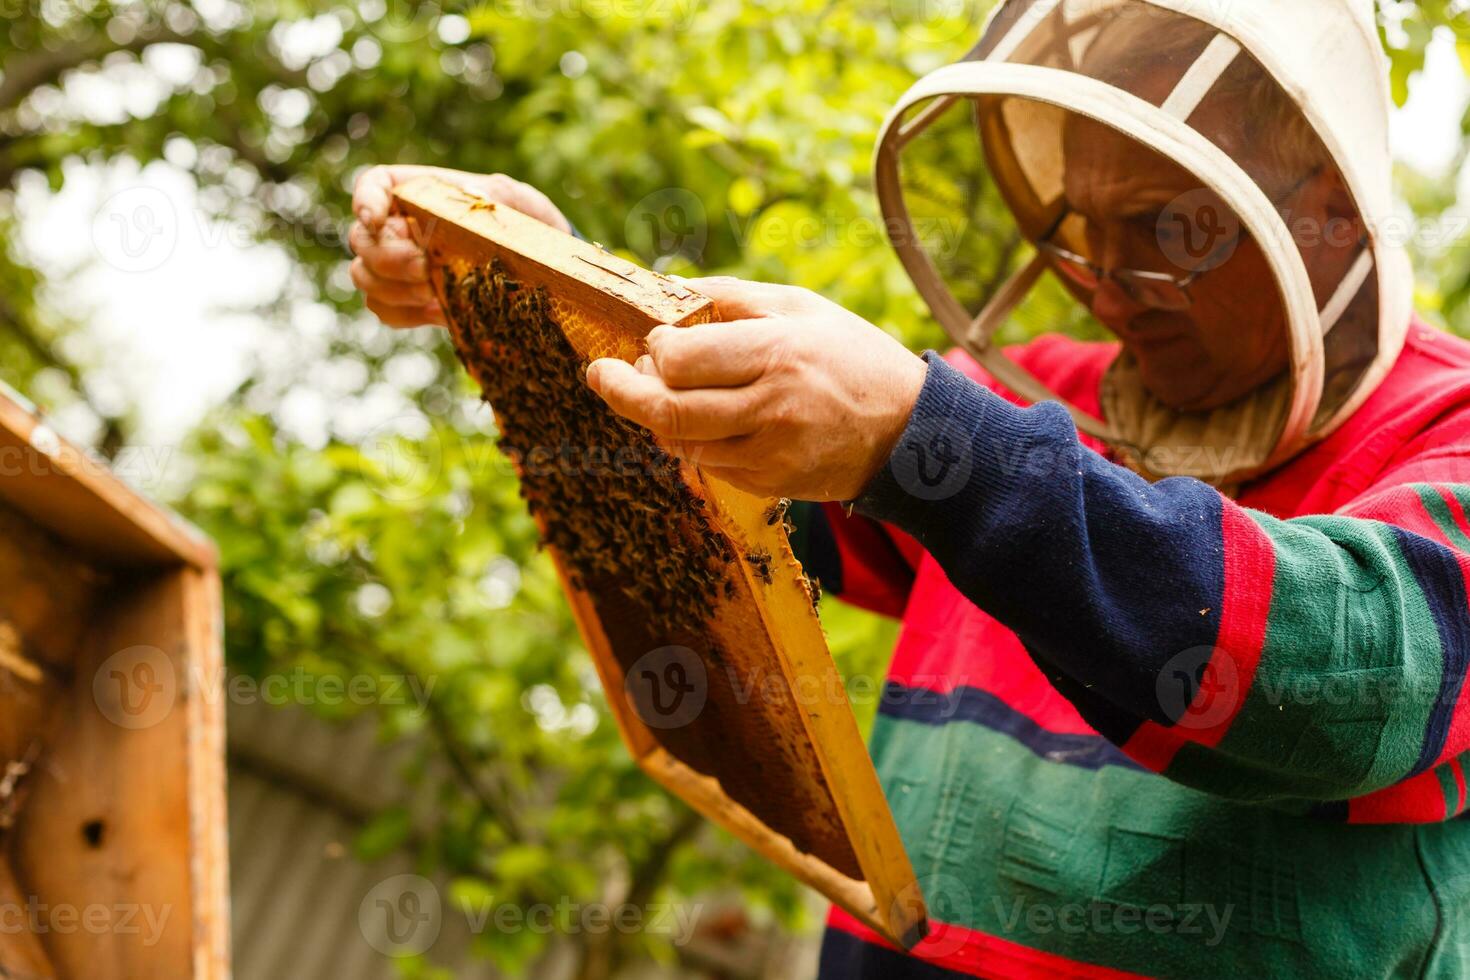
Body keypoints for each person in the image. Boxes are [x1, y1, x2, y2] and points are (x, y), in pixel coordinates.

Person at [350, 1, 1470, 975]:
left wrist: (926, 439)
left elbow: (1349, 675)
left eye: (1167, 229)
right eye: (1085, 231)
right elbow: (744, 491)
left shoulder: (1446, 431)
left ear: (1322, 204)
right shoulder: (1053, 401)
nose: (1112, 288)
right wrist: (540, 284)